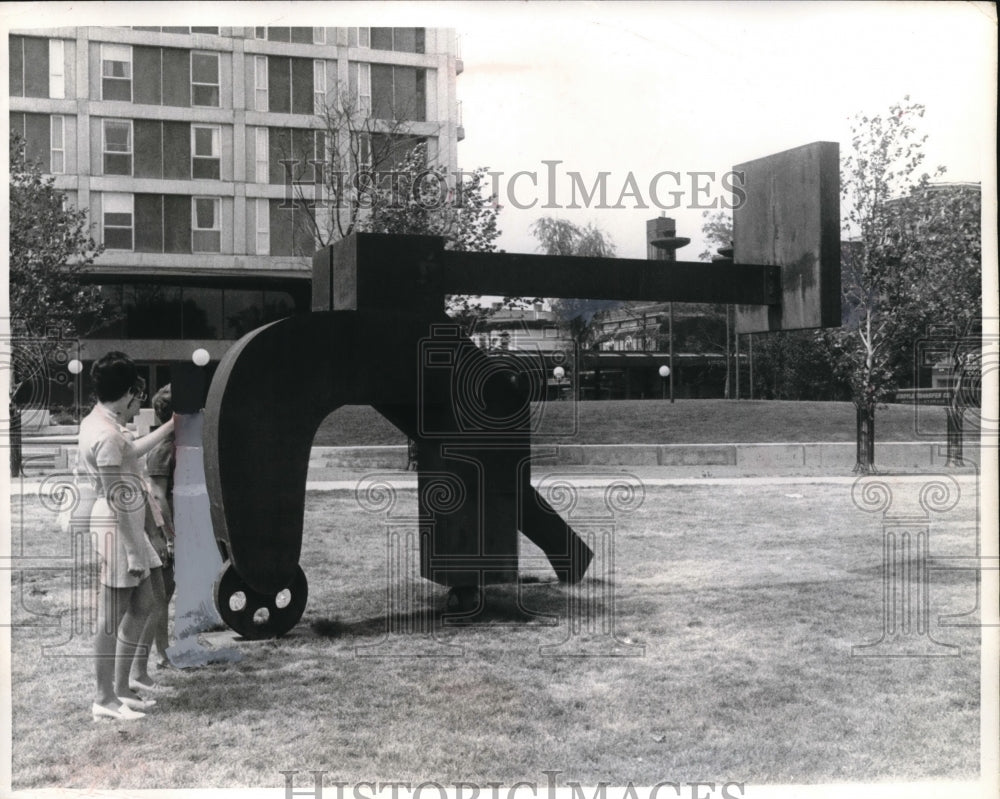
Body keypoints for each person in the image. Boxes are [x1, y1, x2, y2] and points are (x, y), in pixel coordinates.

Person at [78, 352, 174, 721]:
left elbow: (130, 452)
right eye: (135, 390)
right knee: (111, 616)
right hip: (119, 526)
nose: (138, 397)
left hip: (127, 523)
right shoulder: (104, 432)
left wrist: (169, 427)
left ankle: (119, 689)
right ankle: (104, 698)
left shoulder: (103, 421)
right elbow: (116, 496)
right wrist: (134, 552)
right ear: (128, 391)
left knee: (146, 602)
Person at [136, 384, 176, 680]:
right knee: (161, 594)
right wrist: (170, 535)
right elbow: (159, 495)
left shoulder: (175, 444)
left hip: (173, 527)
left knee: (168, 590)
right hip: (166, 529)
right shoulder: (163, 449)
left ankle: (164, 649)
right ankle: (162, 654)